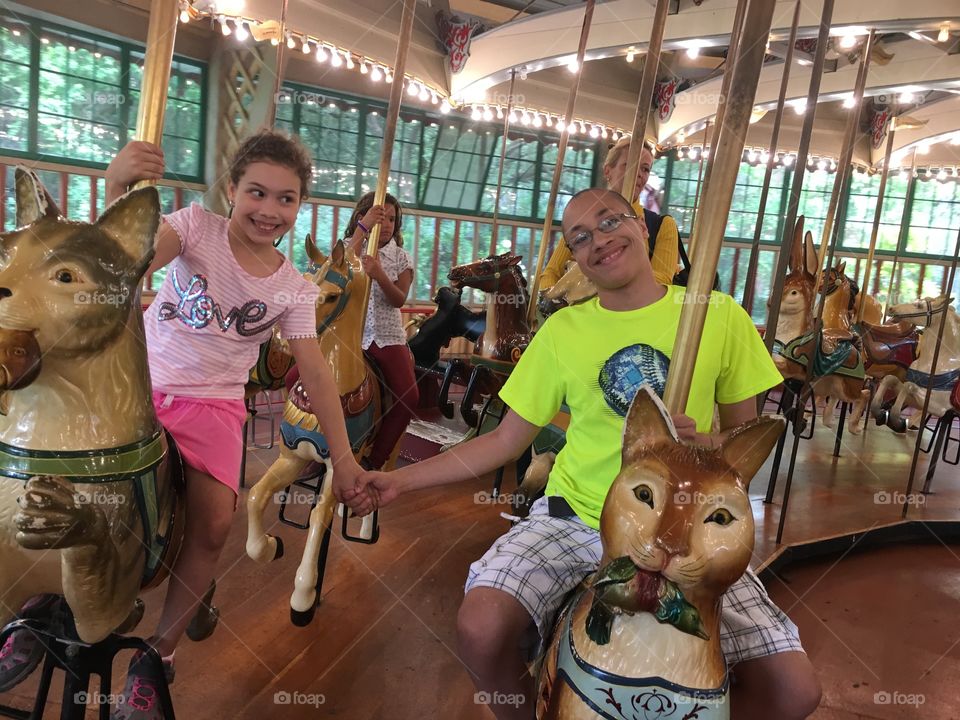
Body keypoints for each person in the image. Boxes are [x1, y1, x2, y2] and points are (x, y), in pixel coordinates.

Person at [346, 187, 821, 720]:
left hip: (681, 529)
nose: (599, 240)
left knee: (794, 690)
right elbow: (504, 441)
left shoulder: (716, 315)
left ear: (641, 227)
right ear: (575, 258)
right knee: (481, 625)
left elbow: (740, 449)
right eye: (580, 238)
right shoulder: (563, 331)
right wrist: (400, 483)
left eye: (610, 221)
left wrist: (700, 447)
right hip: (577, 517)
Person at [92, 131, 363, 719]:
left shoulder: (293, 287)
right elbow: (120, 264)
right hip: (141, 384)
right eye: (257, 193)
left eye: (286, 199)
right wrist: (118, 188)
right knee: (62, 478)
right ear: (232, 190)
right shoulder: (193, 228)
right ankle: (39, 608)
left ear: (300, 205)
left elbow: (315, 373)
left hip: (214, 405)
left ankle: (158, 653)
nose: (269, 210)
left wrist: (343, 458)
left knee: (217, 523)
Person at [539, 137, 680, 290]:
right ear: (608, 171)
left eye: (645, 169)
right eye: (629, 165)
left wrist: (587, 279)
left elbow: (662, 280)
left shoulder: (662, 225)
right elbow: (550, 274)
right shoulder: (582, 221)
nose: (638, 174)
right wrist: (554, 303)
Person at [342, 192, 418, 470]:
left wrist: (380, 275)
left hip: (386, 337)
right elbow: (334, 269)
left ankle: (374, 461)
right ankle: (319, 445)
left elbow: (398, 299)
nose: (387, 224)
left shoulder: (400, 257)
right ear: (365, 217)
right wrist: (363, 229)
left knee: (408, 397)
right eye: (381, 217)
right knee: (296, 378)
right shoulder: (350, 249)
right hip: (349, 336)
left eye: (392, 219)